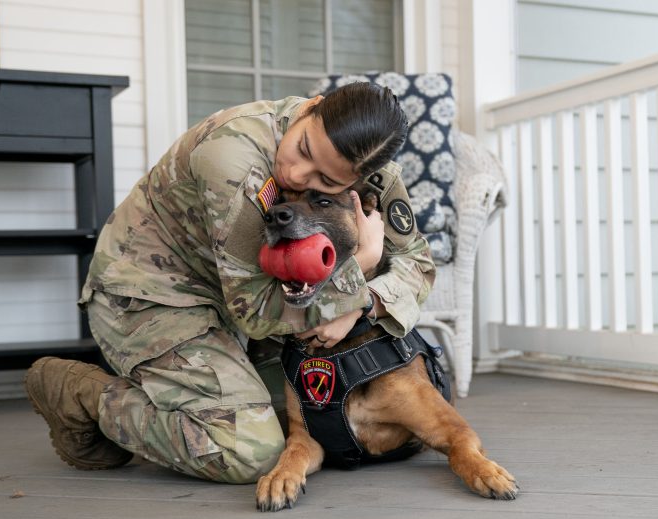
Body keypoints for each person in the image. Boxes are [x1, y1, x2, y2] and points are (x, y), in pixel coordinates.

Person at [24, 82, 436, 483]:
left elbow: (418, 262)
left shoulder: (368, 169)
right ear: (312, 106)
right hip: (153, 298)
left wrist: (365, 306)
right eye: (303, 149)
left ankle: (176, 403)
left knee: (323, 412)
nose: (295, 173)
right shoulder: (232, 157)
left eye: (326, 184)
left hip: (244, 313)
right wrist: (361, 268)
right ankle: (86, 397)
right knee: (250, 449)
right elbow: (255, 312)